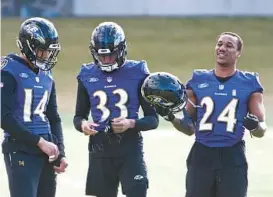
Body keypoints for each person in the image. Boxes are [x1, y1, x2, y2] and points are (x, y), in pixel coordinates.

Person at [143, 32, 267, 197]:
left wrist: (255, 126)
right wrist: (171, 117)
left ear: (238, 53)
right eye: (219, 44)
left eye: (229, 45)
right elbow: (188, 128)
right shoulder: (197, 80)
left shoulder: (249, 82)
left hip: (232, 156)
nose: (222, 48)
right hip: (202, 154)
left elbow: (261, 129)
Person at [73, 21, 159, 197]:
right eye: (102, 56)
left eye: (111, 55)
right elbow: (78, 117)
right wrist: (83, 125)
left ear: (121, 51)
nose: (106, 60)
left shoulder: (138, 72)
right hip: (100, 149)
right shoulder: (86, 75)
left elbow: (153, 119)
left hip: (130, 148)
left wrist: (130, 123)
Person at [1, 17, 68, 197]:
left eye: (49, 51)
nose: (46, 56)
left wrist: (60, 150)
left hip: (46, 151)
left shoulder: (47, 73)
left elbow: (53, 116)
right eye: (42, 51)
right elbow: (3, 117)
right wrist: (39, 142)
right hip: (21, 148)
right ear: (28, 47)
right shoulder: (8, 70)